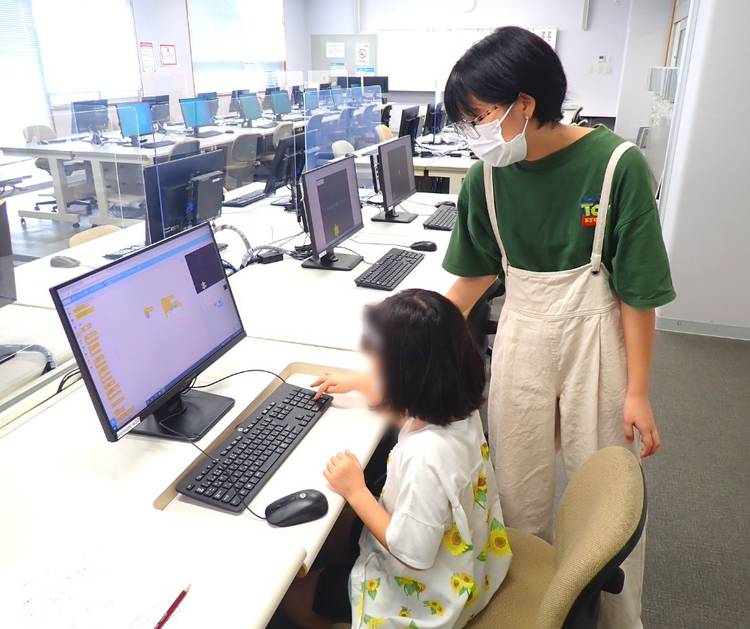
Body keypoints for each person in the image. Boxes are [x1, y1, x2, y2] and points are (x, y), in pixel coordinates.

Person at [441, 26, 675, 629]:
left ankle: (619, 618)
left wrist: (639, 391)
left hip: (598, 338)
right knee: (516, 487)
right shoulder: (486, 178)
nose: (472, 133)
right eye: (464, 122)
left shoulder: (616, 166)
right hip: (521, 334)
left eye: (478, 116)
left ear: (524, 103)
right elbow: (470, 280)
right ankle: (532, 609)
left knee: (605, 496)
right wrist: (398, 350)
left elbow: (639, 293)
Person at [278, 289, 511, 628]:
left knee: (291, 597)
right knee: (337, 527)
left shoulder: (426, 458)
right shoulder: (457, 407)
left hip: (427, 592)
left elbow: (413, 553)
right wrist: (360, 383)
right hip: (468, 557)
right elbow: (413, 396)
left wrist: (356, 490)